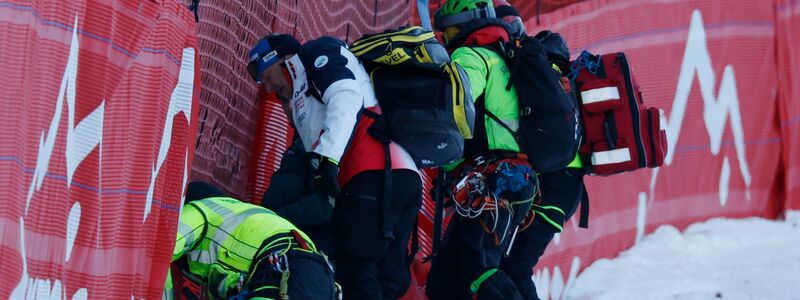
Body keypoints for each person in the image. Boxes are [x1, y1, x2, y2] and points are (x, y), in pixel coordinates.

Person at [247, 34, 422, 299]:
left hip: (371, 171)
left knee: (355, 269)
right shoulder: (303, 101)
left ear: (282, 59)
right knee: (386, 278)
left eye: (268, 76)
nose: (270, 88)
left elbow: (346, 97)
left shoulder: (316, 53)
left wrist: (328, 159)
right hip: (400, 173)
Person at [426, 1, 538, 299]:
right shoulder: (502, 54)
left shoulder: (470, 55)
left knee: (480, 268)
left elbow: (456, 106)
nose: (444, 37)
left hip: (494, 180)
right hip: (516, 178)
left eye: (448, 29)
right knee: (447, 278)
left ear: (465, 24)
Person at [488, 3, 590, 299]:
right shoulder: (558, 77)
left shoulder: (536, 73)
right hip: (563, 187)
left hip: (555, 186)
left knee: (515, 266)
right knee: (509, 265)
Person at [164, 195, 338, 299]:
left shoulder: (200, 215)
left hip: (288, 272)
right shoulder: (237, 217)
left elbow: (157, 258)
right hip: (302, 263)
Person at [262, 97, 335, 257]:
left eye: (290, 98)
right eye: (283, 99)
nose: (287, 107)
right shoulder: (304, 138)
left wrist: (277, 218)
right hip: (279, 234)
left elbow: (326, 204)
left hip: (301, 244)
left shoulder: (327, 145)